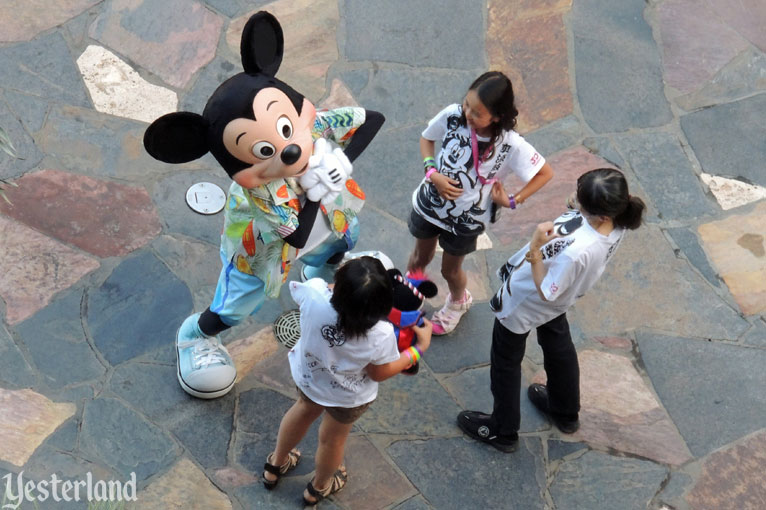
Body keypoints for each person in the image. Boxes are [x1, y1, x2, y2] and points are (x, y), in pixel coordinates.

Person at [456, 168, 646, 452]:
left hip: (528, 300)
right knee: (558, 345)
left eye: (580, 200)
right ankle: (565, 411)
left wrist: (534, 248)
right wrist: (578, 204)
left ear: (601, 214)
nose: (575, 202)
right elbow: (579, 217)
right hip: (563, 298)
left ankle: (503, 430)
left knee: (506, 360)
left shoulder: (578, 251)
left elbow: (546, 290)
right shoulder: (618, 223)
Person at [262, 256, 433, 505]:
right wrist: (418, 349)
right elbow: (379, 373)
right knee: (332, 440)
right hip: (348, 398)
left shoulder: (313, 295)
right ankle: (318, 488)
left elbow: (315, 289)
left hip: (310, 378)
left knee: (301, 412)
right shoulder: (381, 334)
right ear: (384, 306)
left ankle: (275, 465)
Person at [407, 71, 554, 335]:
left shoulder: (510, 144)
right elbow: (427, 138)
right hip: (431, 205)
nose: (467, 114)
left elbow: (545, 173)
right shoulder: (453, 115)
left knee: (451, 270)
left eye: (477, 112)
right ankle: (410, 295)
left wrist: (512, 200)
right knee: (419, 256)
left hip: (467, 219)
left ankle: (457, 302)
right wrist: (432, 173)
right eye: (467, 105)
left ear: (497, 117)